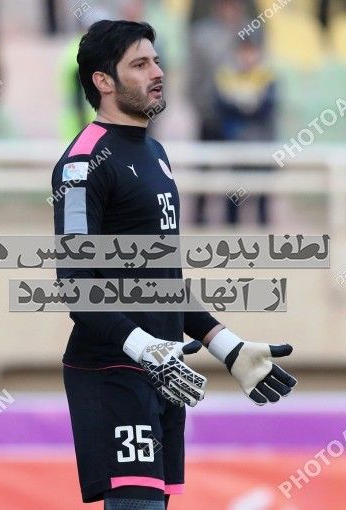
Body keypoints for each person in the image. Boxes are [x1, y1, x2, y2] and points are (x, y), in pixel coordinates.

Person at [52, 20, 297, 509]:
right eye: (140, 64)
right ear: (103, 80)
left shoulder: (156, 153)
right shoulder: (82, 164)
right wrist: (144, 347)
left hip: (164, 370)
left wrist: (226, 345)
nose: (157, 72)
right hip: (113, 371)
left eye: (157, 61)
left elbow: (162, 282)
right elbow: (76, 286)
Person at [188, 0, 247, 225]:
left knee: (236, 167)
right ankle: (199, 216)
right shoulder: (202, 34)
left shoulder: (250, 31)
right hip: (209, 112)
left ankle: (233, 220)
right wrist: (201, 106)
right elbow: (194, 75)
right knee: (204, 164)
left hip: (237, 115)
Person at [214, 38, 277, 225]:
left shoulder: (267, 76)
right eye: (244, 51)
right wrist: (249, 104)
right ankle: (231, 230)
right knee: (233, 191)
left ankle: (263, 230)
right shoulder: (226, 75)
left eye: (251, 51)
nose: (247, 56)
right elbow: (221, 106)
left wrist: (239, 103)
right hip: (235, 141)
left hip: (261, 142)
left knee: (263, 193)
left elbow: (267, 109)